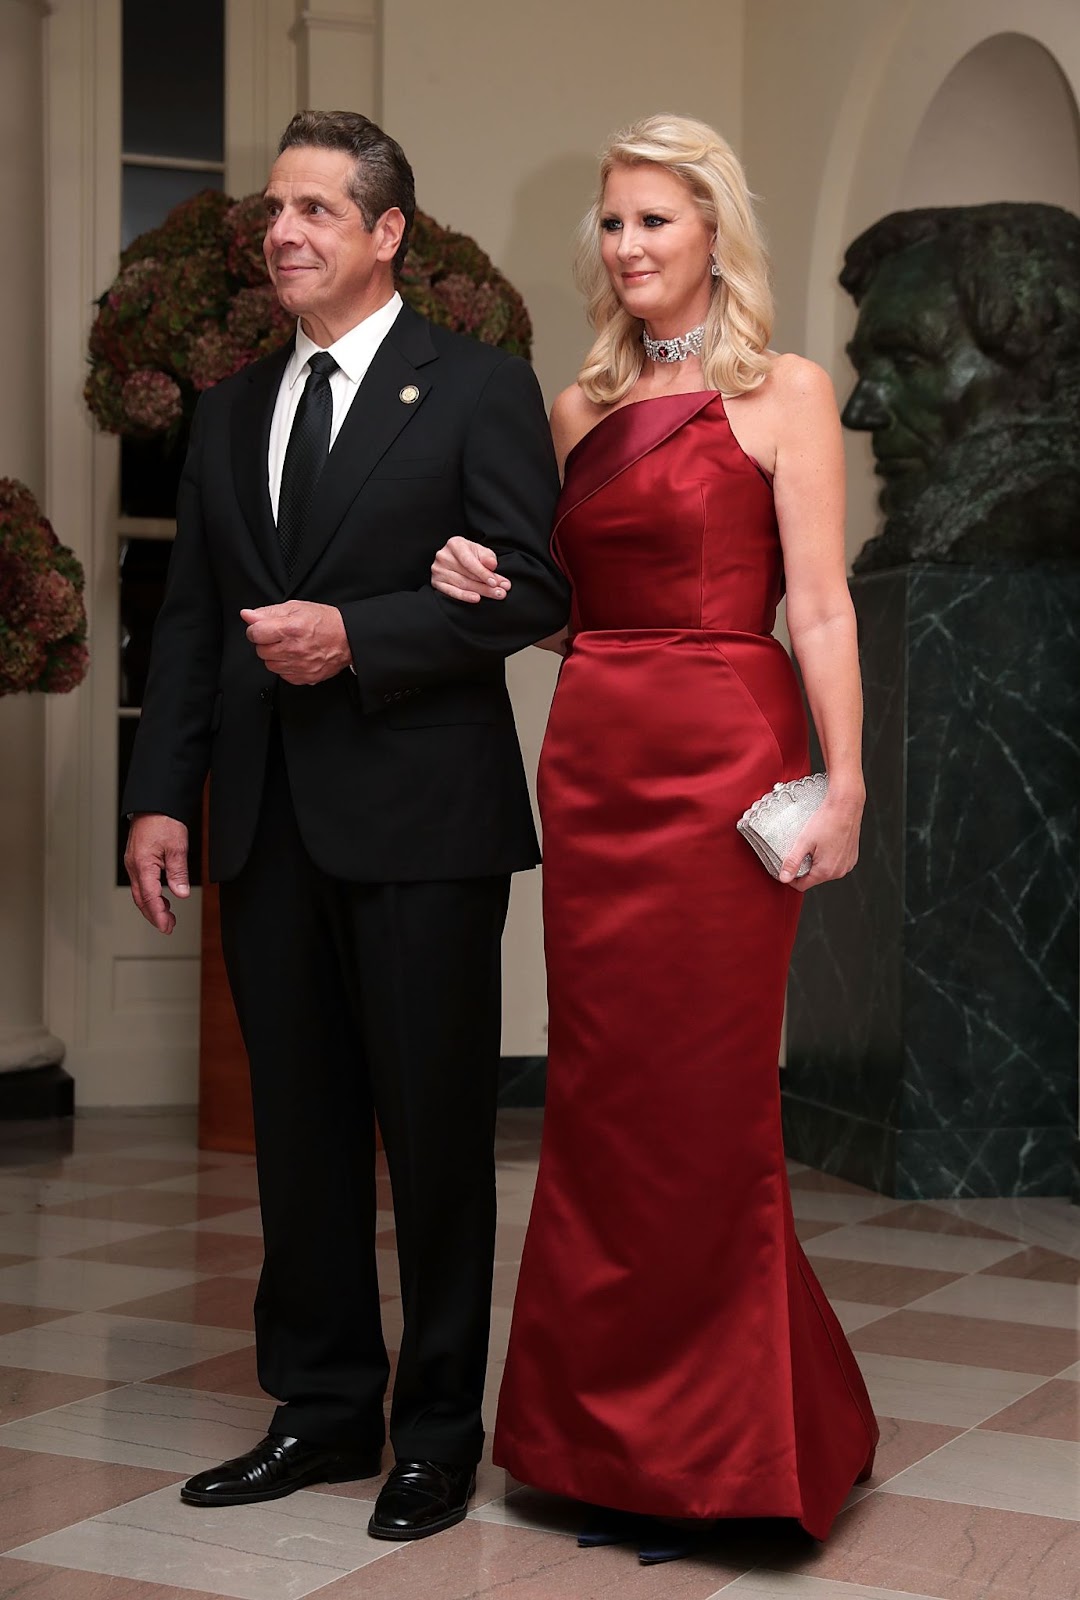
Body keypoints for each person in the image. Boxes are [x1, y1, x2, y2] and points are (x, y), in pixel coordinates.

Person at [431, 113, 878, 1561]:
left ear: (713, 235)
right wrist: (476, 574)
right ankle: (597, 1445)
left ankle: (731, 1452)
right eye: (613, 225)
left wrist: (848, 779)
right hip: (599, 749)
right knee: (606, 1099)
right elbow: (566, 604)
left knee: (710, 1101)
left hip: (729, 757)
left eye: (654, 223)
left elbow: (816, 604)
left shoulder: (786, 392)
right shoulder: (576, 409)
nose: (627, 248)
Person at [123, 109, 569, 1542]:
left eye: (318, 208)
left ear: (388, 234)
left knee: (435, 1138)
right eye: (276, 208)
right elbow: (188, 619)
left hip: (423, 823)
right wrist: (155, 799)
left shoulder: (479, 388)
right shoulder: (232, 405)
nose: (285, 231)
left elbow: (536, 593)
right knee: (301, 1138)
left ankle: (436, 1434)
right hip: (260, 822)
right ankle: (319, 1410)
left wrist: (359, 635)